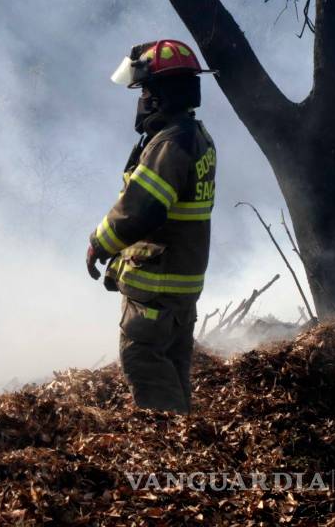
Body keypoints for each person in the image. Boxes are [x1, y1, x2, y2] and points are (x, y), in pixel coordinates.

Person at [85, 39, 217, 413]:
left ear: (160, 94)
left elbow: (140, 208)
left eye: (145, 90)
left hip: (158, 284)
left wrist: (98, 242)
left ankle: (167, 449)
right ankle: (185, 442)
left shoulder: (169, 144)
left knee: (144, 362)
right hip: (181, 283)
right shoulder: (196, 137)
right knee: (172, 365)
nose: (142, 99)